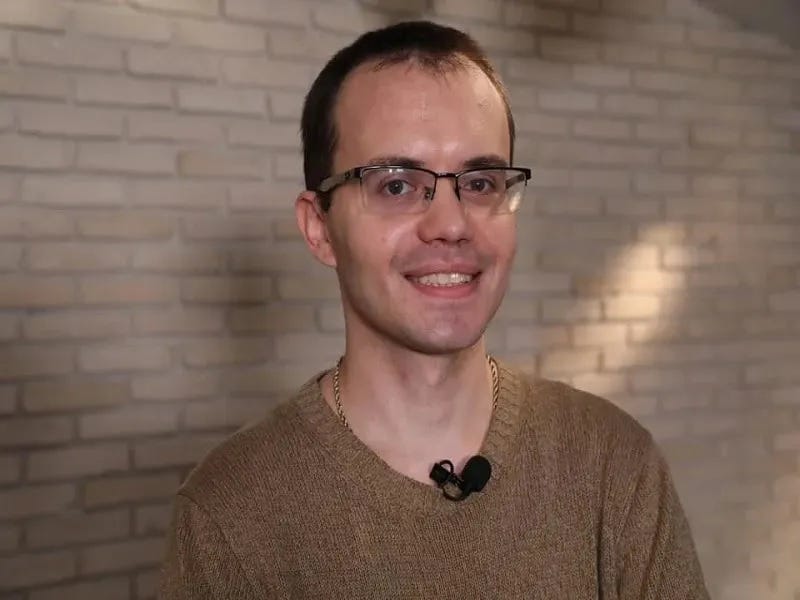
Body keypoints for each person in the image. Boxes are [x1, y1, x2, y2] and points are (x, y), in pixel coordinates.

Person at [158, 20, 709, 599]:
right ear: (319, 227)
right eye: (396, 185)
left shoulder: (614, 463)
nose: (450, 224)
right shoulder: (229, 513)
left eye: (481, 182)